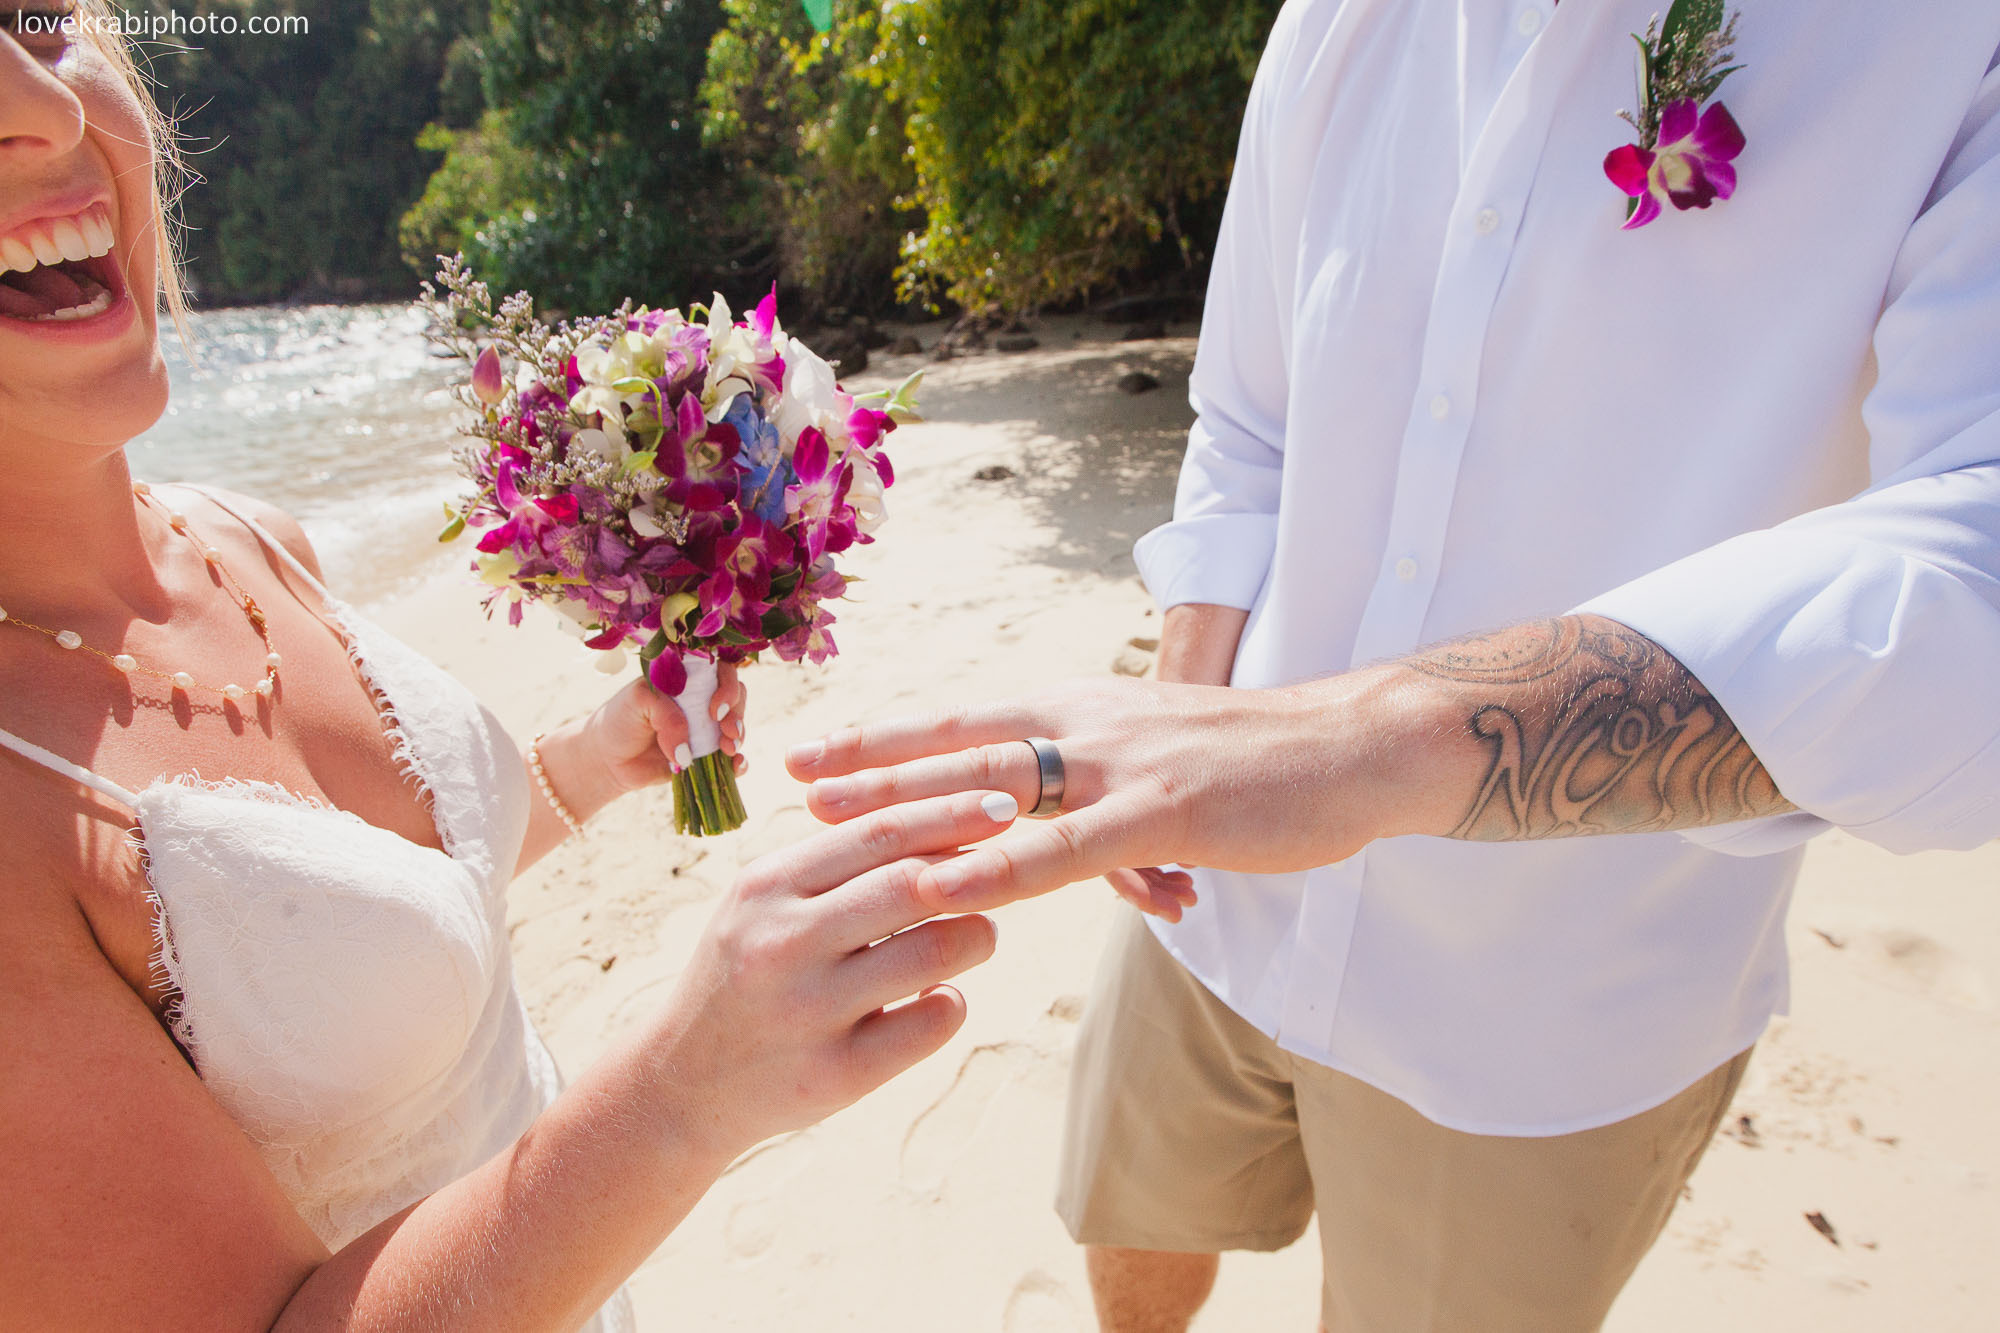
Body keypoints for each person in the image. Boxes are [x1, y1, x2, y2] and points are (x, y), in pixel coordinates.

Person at [784, 1, 2000, 1328]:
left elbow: (1972, 571)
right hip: (1211, 895)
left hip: (1550, 1003)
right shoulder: (1344, 19)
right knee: (1135, 1217)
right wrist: (1190, 710)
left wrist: (1365, 749)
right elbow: (1249, 412)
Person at [0, 9, 1041, 1328]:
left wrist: (602, 753)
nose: (33, 99)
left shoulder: (245, 534)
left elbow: (381, 912)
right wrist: (680, 1086)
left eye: (38, 16)